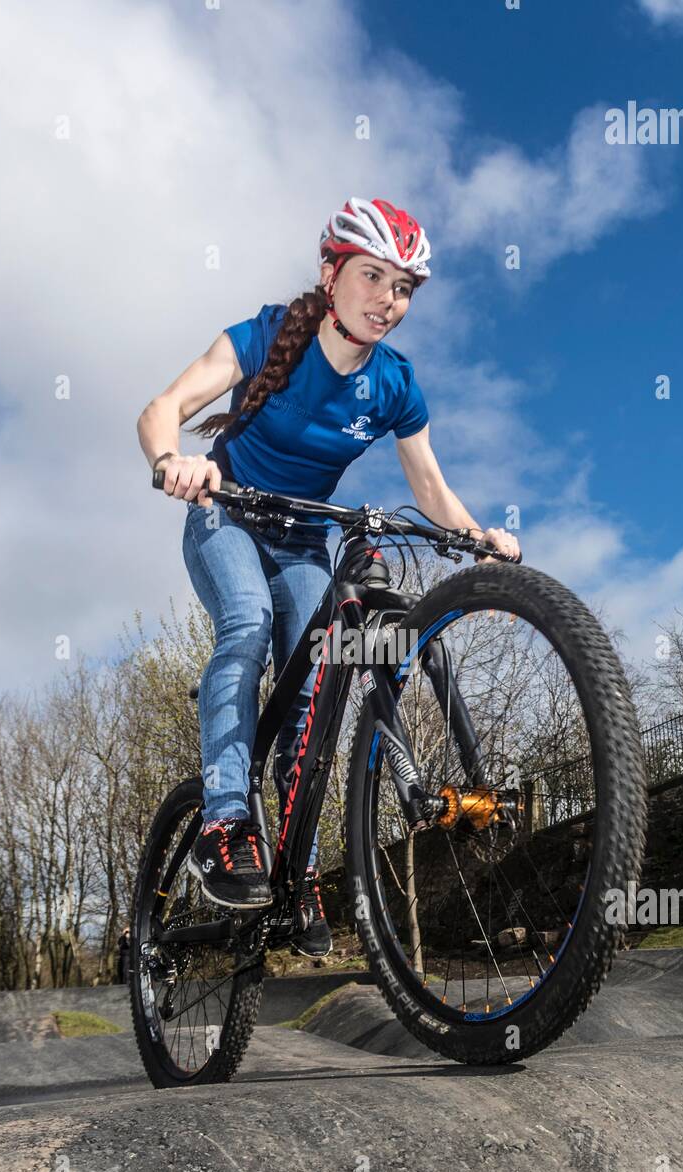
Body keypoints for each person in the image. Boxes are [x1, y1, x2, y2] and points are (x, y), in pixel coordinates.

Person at [138, 197, 520, 958]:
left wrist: (475, 535)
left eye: (403, 286)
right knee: (246, 628)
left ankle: (300, 870)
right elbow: (164, 406)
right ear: (330, 272)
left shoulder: (394, 384)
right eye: (372, 276)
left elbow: (430, 488)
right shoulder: (268, 333)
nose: (388, 299)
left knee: (316, 689)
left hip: (306, 538)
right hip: (227, 514)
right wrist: (171, 459)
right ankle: (224, 821)